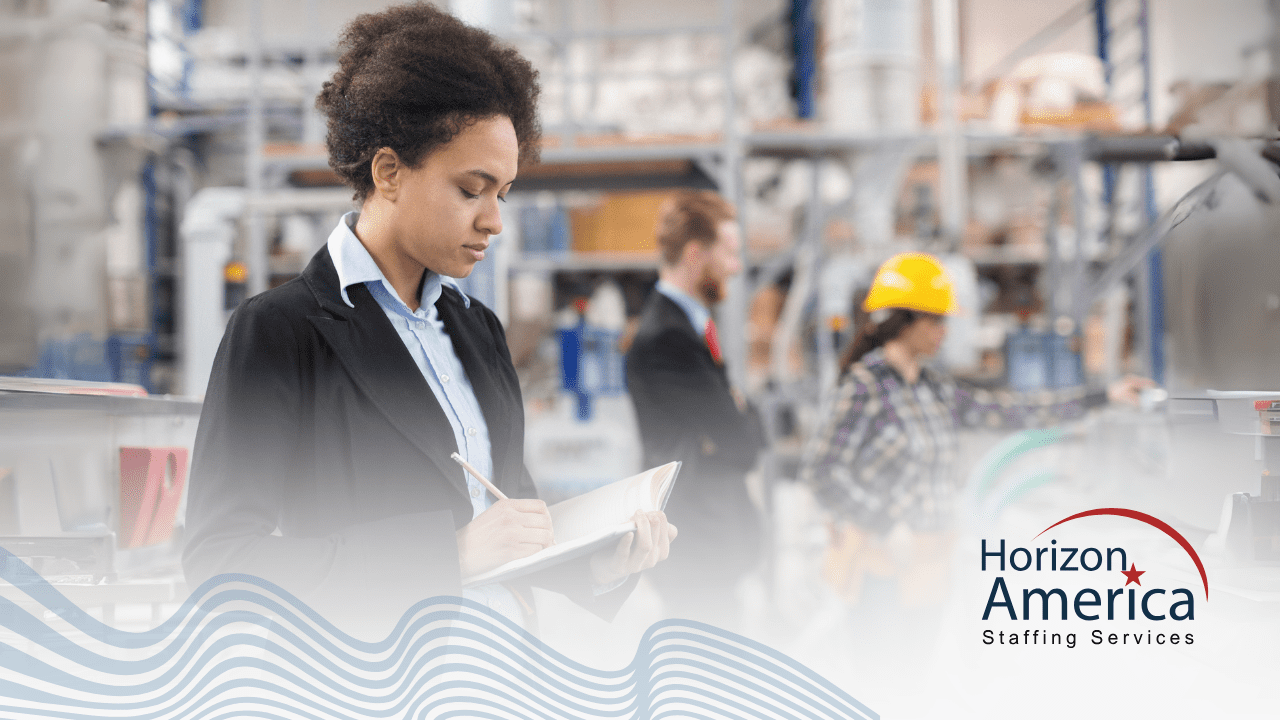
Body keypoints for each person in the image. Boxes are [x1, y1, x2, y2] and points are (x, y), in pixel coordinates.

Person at [182, 3, 674, 636]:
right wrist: (450, 555)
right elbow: (221, 564)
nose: (494, 220)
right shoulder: (281, 331)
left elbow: (510, 522)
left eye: (503, 193)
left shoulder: (478, 331)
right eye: (472, 189)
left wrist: (603, 559)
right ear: (388, 172)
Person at [800, 252, 1150, 636]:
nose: (944, 331)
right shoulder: (864, 387)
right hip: (880, 569)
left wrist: (1102, 398)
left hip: (927, 568)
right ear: (904, 320)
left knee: (915, 683)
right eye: (936, 320)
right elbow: (821, 471)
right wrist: (884, 524)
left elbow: (1013, 411)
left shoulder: (933, 389)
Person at [625, 189, 765, 628]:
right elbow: (743, 443)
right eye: (729, 253)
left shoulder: (692, 325)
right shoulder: (668, 339)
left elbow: (732, 432)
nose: (736, 267)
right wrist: (739, 413)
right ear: (695, 254)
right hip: (696, 546)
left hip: (710, 541)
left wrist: (736, 417)